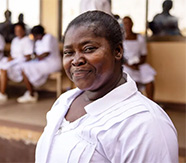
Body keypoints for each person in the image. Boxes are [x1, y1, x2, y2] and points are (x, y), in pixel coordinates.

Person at [35, 11, 178, 162]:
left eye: (89, 49)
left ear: (117, 51)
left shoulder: (145, 125)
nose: (76, 60)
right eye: (68, 52)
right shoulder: (64, 101)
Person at [15, 25, 62, 103]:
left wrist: (33, 57)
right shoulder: (38, 41)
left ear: (38, 35)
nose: (34, 38)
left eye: (34, 36)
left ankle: (31, 94)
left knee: (25, 68)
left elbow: (46, 53)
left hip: (52, 64)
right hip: (43, 63)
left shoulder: (48, 37)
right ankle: (31, 92)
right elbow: (37, 53)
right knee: (23, 66)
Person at [0, 23, 34, 102]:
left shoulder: (27, 40)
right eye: (16, 30)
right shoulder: (15, 40)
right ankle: (3, 86)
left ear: (24, 31)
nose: (18, 32)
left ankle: (2, 93)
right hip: (12, 60)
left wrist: (15, 59)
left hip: (20, 62)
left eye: (20, 30)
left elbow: (28, 56)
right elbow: (13, 53)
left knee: (3, 69)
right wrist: (10, 57)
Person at [122, 16, 156, 100]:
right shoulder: (120, 39)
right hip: (125, 64)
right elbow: (119, 56)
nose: (127, 25)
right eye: (125, 23)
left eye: (129, 23)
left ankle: (151, 101)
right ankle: (136, 102)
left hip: (138, 63)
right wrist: (129, 65)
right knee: (130, 77)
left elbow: (144, 55)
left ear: (132, 24)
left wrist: (138, 64)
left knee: (149, 76)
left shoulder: (139, 38)